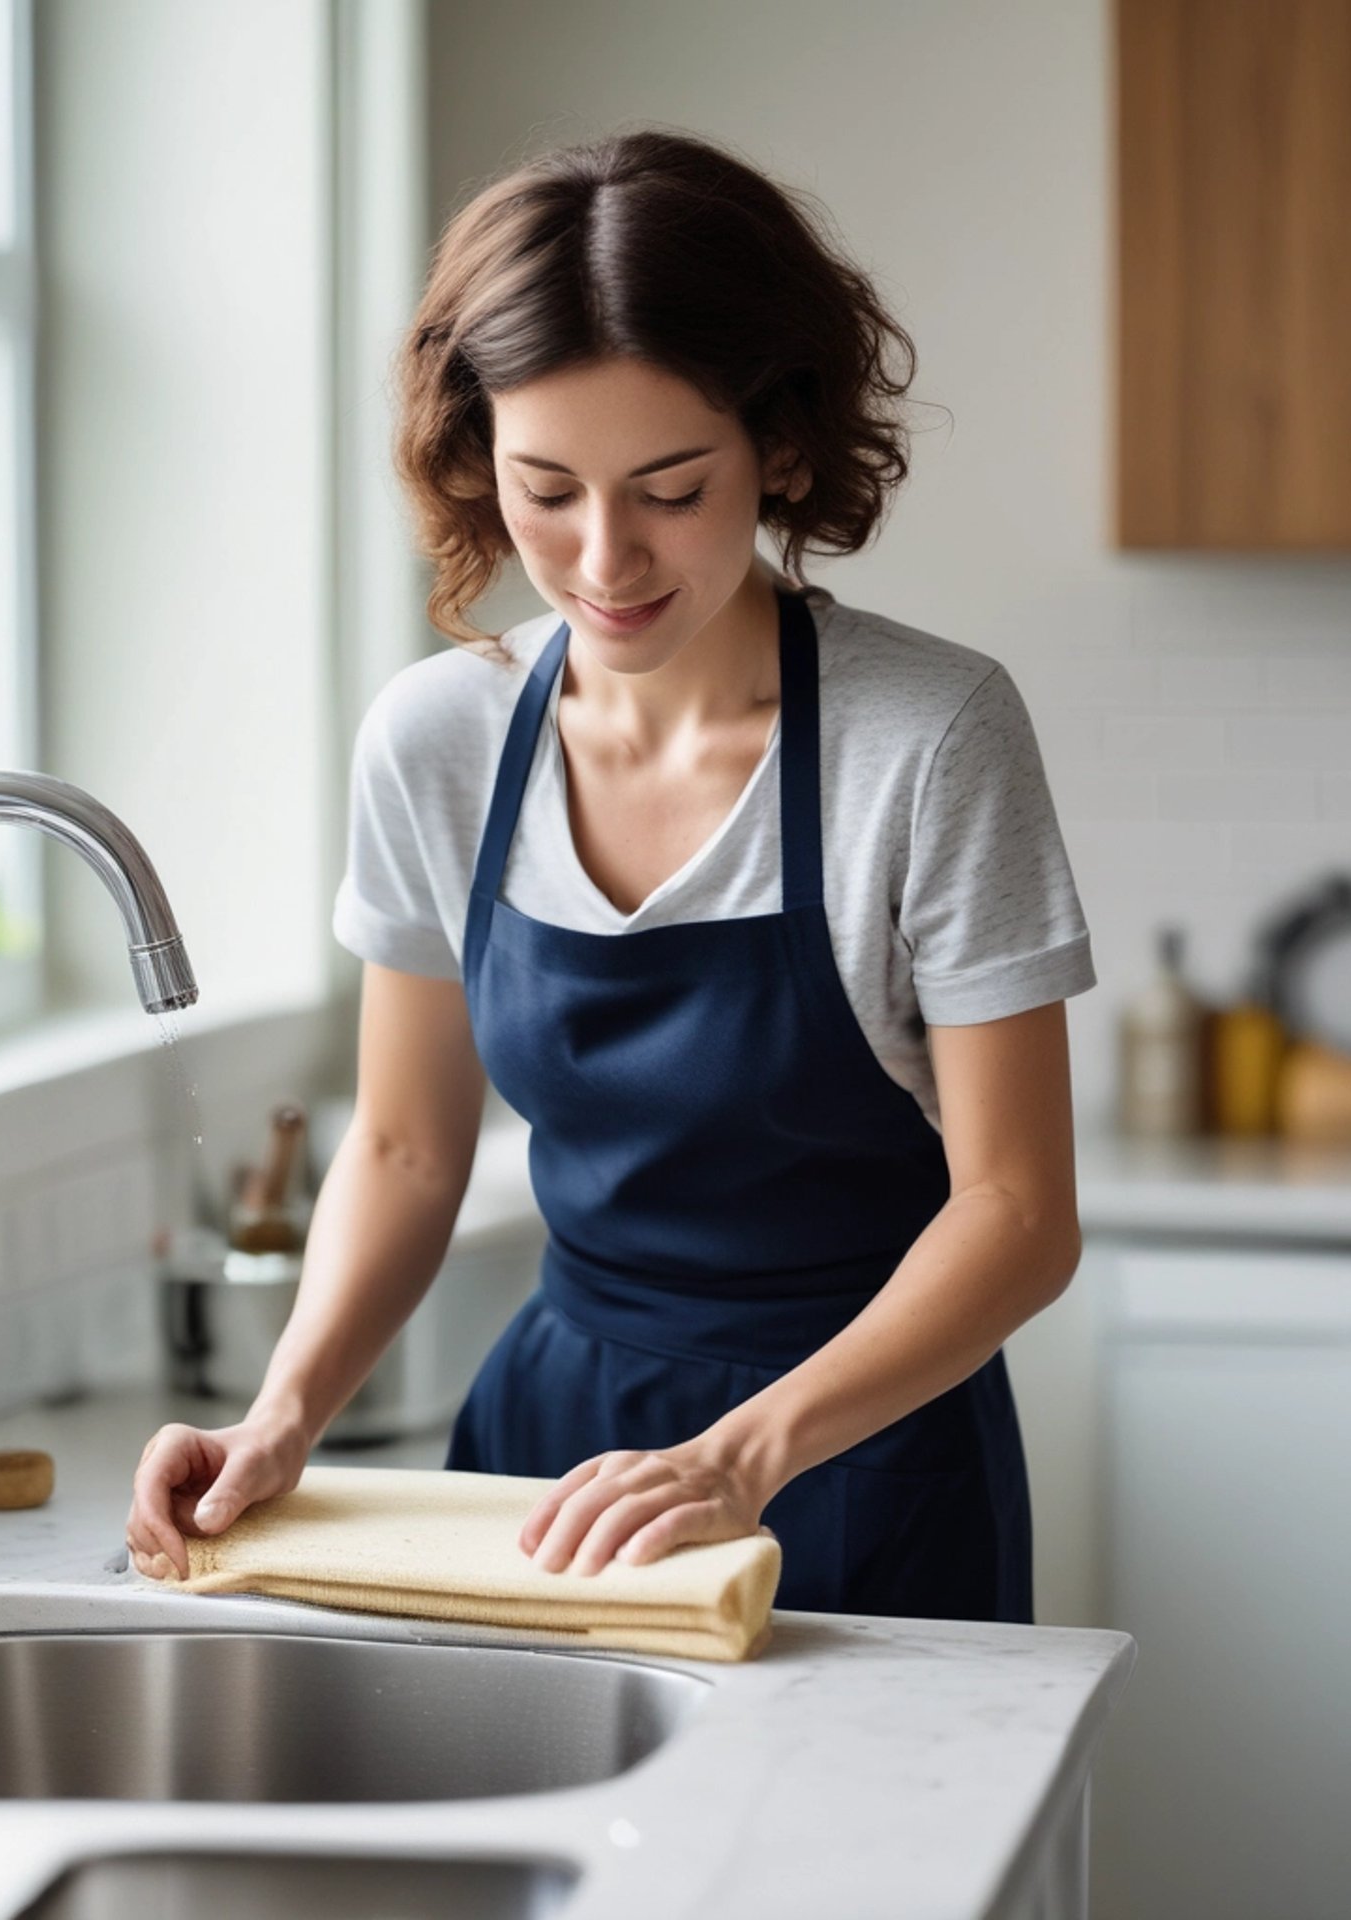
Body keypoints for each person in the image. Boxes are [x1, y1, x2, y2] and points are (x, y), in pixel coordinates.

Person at [127, 127, 1092, 1623]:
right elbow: (401, 1150)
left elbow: (1020, 1212)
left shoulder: (931, 737)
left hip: (860, 1456)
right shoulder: (438, 739)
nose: (603, 557)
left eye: (669, 486)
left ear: (777, 446)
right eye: (546, 487)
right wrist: (284, 1411)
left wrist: (742, 1456)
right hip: (542, 1459)